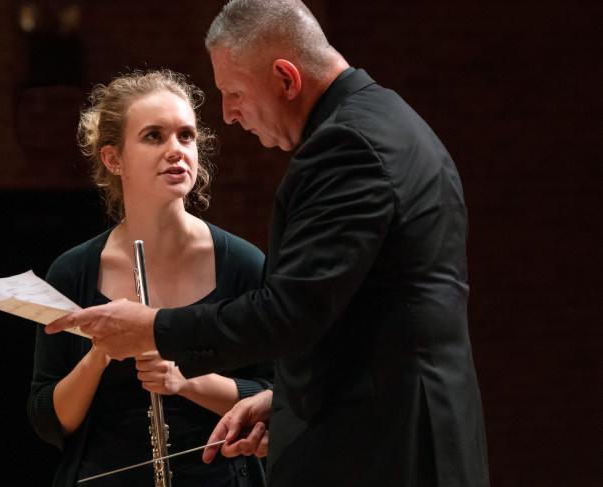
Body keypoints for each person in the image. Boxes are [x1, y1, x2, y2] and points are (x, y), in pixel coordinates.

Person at [46, 1, 490, 485]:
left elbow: (289, 315)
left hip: (388, 446)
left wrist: (154, 328)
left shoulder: (348, 147)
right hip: (400, 425)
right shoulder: (386, 119)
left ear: (286, 78)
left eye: (234, 93)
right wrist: (279, 402)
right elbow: (356, 315)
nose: (230, 116)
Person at [28, 69, 273, 487]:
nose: (176, 150)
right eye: (154, 136)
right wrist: (101, 351)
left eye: (186, 136)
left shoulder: (243, 264)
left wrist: (184, 378)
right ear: (113, 158)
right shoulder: (73, 272)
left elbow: (276, 396)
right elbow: (49, 421)